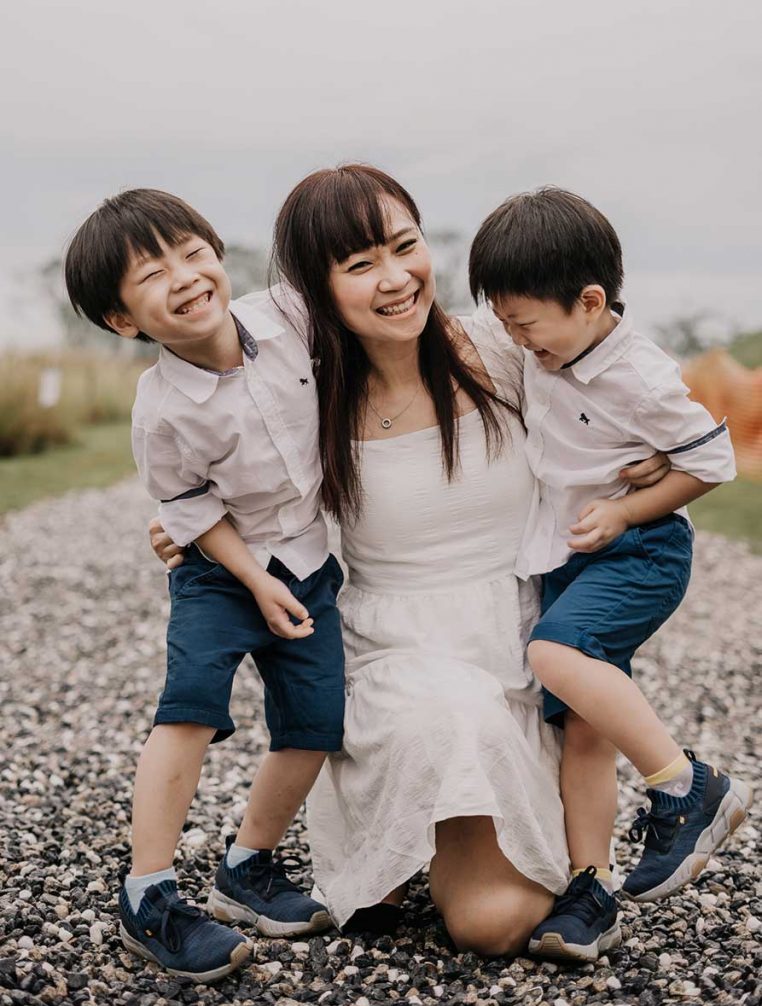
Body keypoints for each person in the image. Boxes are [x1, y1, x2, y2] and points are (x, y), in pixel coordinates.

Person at [157, 164, 670, 955]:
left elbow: (621, 380)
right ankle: (401, 830)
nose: (397, 279)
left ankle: (490, 852)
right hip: (397, 655)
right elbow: (222, 477)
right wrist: (184, 528)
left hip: (517, 637)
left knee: (491, 923)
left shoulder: (502, 347)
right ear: (316, 289)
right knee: (449, 742)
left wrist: (648, 466)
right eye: (361, 265)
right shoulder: (307, 392)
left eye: (406, 247)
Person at [64, 189, 346, 981]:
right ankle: (148, 895)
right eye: (152, 274)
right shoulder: (161, 413)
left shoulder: (288, 319)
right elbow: (188, 508)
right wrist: (251, 578)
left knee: (316, 726)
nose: (185, 277)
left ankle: (247, 869)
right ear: (124, 321)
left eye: (192, 252)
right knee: (190, 708)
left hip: (310, 562)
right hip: (220, 574)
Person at [468, 187, 753, 961]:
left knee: (552, 654)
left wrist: (631, 510)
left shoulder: (640, 374)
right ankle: (589, 890)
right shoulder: (551, 353)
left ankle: (687, 786)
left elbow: (713, 460)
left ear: (590, 302)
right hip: (570, 557)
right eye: (508, 324)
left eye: (526, 324)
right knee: (581, 731)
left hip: (640, 549)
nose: (519, 341)